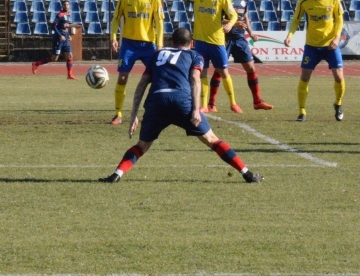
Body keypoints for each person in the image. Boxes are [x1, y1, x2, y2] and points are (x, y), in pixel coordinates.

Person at [98, 27, 262, 184]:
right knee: (212, 140)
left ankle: (116, 174)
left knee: (142, 146)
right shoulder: (195, 55)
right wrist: (196, 109)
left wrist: (133, 115)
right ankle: (246, 173)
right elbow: (195, 80)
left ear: (172, 41)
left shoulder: (158, 54)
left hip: (157, 101)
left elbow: (141, 85)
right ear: (191, 43)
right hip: (181, 101)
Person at [175, 0, 241, 114]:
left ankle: (233, 102)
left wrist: (230, 24)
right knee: (201, 73)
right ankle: (204, 105)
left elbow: (234, 14)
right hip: (201, 43)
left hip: (217, 42)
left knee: (224, 73)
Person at [283, 0, 345, 122]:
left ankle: (338, 104)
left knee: (339, 77)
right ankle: (302, 111)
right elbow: (296, 20)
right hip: (312, 46)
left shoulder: (333, 0)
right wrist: (290, 35)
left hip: (330, 45)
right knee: (305, 77)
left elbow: (339, 20)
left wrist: (337, 38)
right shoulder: (304, 1)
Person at [109, 0, 165, 125]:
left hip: (148, 45)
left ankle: (154, 110)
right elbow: (115, 19)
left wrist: (160, 44)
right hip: (129, 44)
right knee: (122, 77)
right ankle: (118, 113)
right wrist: (113, 37)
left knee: (157, 77)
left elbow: (160, 23)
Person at [213, 0, 274, 111]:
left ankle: (257, 101)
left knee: (251, 68)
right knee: (219, 70)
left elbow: (245, 16)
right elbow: (217, 19)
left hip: (240, 37)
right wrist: (234, 24)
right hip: (225, 37)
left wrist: (251, 33)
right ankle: (211, 104)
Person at [32, 0, 76, 79]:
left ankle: (69, 75)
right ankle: (36, 64)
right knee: (54, 58)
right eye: (64, 5)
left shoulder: (68, 14)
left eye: (67, 5)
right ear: (62, 6)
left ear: (69, 6)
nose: (66, 6)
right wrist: (59, 35)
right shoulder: (60, 15)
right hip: (58, 39)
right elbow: (53, 26)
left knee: (70, 56)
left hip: (65, 39)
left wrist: (68, 35)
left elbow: (65, 27)